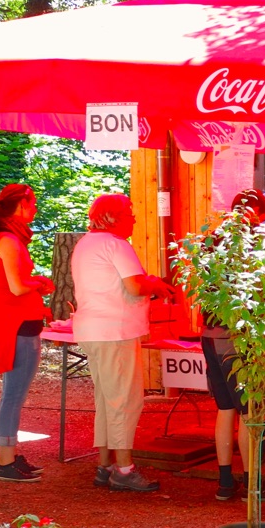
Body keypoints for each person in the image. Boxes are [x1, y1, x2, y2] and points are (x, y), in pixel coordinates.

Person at [71, 193, 180, 492]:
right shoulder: (116, 244)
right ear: (113, 218)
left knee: (107, 400)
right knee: (124, 400)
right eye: (129, 213)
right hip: (115, 332)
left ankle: (105, 465)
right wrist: (155, 284)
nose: (133, 218)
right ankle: (124, 469)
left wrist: (149, 283)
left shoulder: (85, 243)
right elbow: (134, 286)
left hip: (93, 330)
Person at [202, 190, 265, 501]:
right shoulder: (252, 243)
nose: (263, 222)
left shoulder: (211, 240)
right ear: (255, 213)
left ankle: (225, 481)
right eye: (262, 216)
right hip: (241, 335)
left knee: (225, 409)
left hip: (210, 332)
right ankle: (253, 484)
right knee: (250, 411)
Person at [0, 184, 54, 483]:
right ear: (20, 205)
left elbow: (15, 283)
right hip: (15, 323)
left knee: (14, 393)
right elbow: (17, 286)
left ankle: (9, 456)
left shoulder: (9, 238)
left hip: (20, 321)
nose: (35, 208)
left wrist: (34, 284)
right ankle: (5, 462)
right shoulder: (8, 240)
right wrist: (39, 282)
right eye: (32, 203)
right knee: (13, 394)